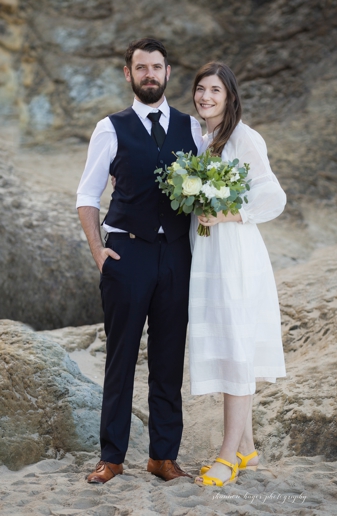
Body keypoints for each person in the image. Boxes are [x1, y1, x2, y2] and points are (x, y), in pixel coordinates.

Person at [77, 38, 204, 484]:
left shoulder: (192, 129)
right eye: (141, 68)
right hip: (126, 254)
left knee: (169, 360)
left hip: (175, 257)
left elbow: (206, 193)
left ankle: (162, 457)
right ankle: (111, 457)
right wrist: (99, 252)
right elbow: (86, 197)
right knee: (121, 356)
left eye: (157, 67)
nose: (149, 74)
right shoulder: (110, 128)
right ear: (128, 75)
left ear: (169, 73)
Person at [186, 61, 288, 487]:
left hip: (235, 256)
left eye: (215, 91)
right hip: (209, 257)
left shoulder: (245, 138)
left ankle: (227, 457)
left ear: (229, 97)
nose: (206, 97)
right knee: (228, 345)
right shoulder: (202, 138)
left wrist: (228, 215)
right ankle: (246, 449)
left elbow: (274, 197)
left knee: (236, 350)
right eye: (201, 89)